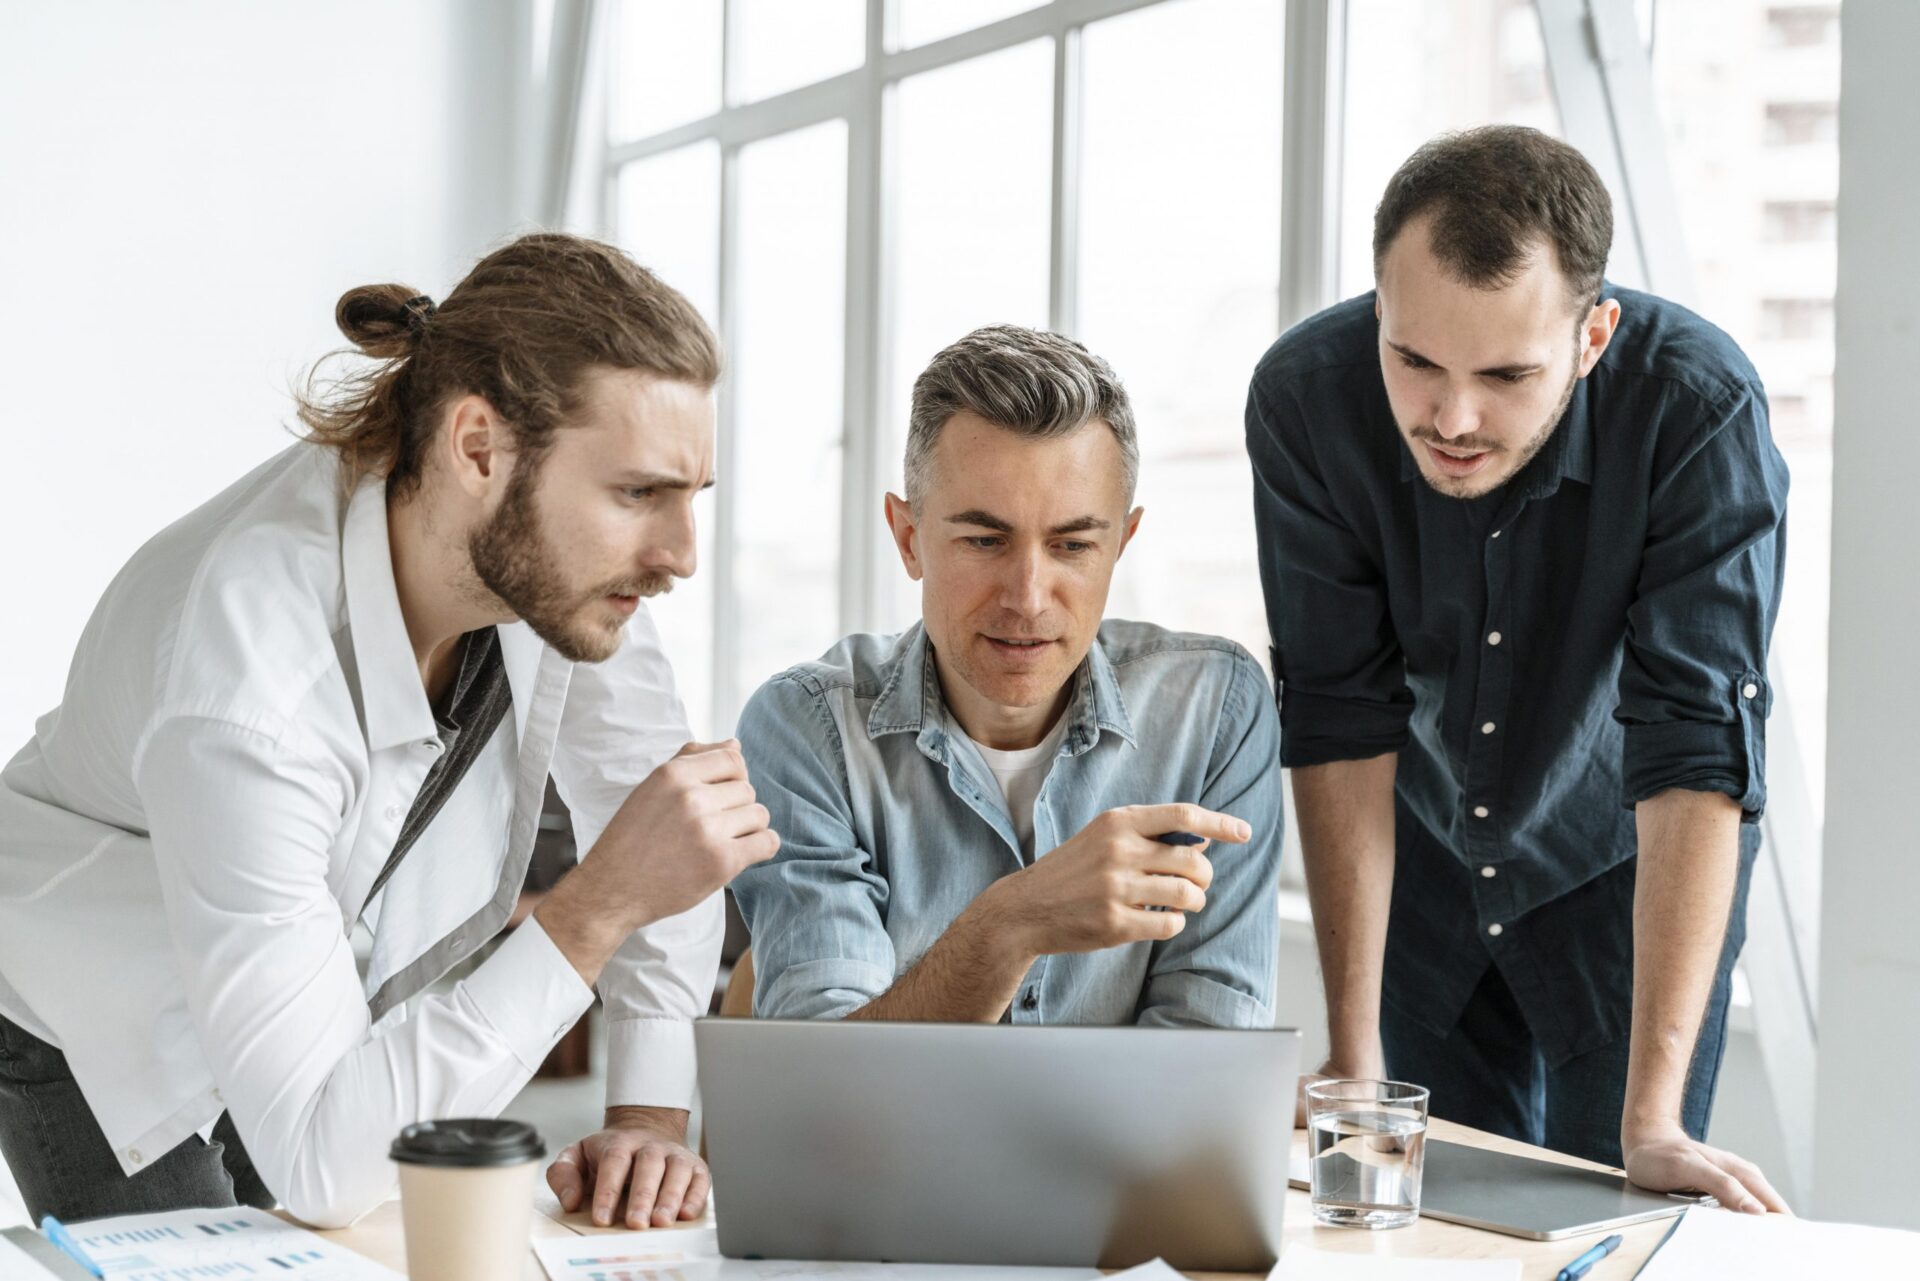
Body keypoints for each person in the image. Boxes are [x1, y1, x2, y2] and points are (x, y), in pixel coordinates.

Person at [0, 234, 778, 1229]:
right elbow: (324, 1160)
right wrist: (592, 909)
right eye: (638, 493)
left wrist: (650, 1121)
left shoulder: (566, 561)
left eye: (687, 497)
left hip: (298, 959)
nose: (678, 554)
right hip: (95, 992)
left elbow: (654, 807)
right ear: (479, 447)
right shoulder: (249, 688)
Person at [1246, 126, 1790, 1211]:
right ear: (1380, 306)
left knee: (1616, 1207)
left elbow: (1696, 748)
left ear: (1593, 337)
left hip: (1621, 872)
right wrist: (1353, 1054)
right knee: (1441, 1221)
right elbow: (1341, 715)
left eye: (1505, 375)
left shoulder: (1697, 407)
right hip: (1423, 862)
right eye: (1414, 360)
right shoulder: (1305, 399)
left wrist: (1656, 1120)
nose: (1451, 419)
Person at [730, 325, 1281, 1027]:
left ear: (1122, 546)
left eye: (1074, 544)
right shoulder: (807, 729)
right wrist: (1014, 921)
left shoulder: (1215, 712)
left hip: (1123, 1147)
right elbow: (834, 1093)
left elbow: (1207, 1068)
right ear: (908, 538)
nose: (1027, 595)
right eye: (985, 540)